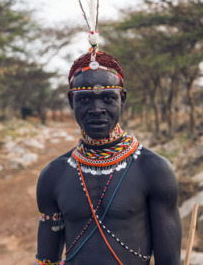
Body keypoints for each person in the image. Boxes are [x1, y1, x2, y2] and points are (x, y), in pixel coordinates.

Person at [35, 51, 182, 265]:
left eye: (108, 98)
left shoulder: (154, 170)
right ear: (71, 101)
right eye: (84, 99)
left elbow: (169, 262)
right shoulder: (53, 175)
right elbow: (45, 261)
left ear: (122, 99)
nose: (96, 109)